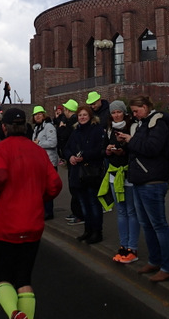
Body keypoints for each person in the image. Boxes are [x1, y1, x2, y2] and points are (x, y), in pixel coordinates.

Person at [0, 108, 62, 319]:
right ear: (25, 126)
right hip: (33, 222)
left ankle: (14, 312)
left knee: (3, 278)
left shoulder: (0, 148)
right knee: (24, 279)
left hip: (7, 223)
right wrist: (37, 198)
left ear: (4, 127)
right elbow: (55, 185)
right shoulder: (38, 151)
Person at [116, 95, 169, 282]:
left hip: (153, 180)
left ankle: (168, 266)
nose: (134, 115)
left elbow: (152, 148)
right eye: (133, 112)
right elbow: (140, 149)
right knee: (147, 224)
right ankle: (155, 260)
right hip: (140, 179)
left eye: (137, 111)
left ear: (146, 107)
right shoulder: (141, 124)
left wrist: (130, 140)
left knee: (158, 225)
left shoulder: (158, 123)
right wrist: (122, 147)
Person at [99, 100, 140, 264]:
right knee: (121, 211)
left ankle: (133, 247)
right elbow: (102, 149)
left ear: (124, 112)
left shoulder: (132, 127)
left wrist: (124, 149)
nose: (116, 115)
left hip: (128, 174)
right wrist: (108, 151)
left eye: (119, 112)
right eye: (113, 112)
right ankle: (123, 245)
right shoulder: (108, 130)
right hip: (114, 174)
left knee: (131, 211)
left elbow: (136, 149)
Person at [63, 104, 106, 244]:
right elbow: (67, 147)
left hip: (91, 173)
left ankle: (96, 232)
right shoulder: (76, 131)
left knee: (93, 203)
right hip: (78, 173)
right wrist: (70, 157)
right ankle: (87, 230)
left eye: (85, 115)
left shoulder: (97, 130)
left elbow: (100, 150)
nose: (82, 117)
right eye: (80, 115)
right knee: (83, 204)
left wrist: (85, 156)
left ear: (90, 116)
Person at [31, 105, 58, 220]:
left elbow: (53, 143)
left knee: (48, 189)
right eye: (35, 114)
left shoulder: (48, 126)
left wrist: (38, 143)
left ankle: (48, 212)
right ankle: (43, 210)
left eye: (39, 114)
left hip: (49, 162)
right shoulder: (37, 128)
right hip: (39, 162)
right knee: (41, 189)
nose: (37, 116)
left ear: (44, 115)